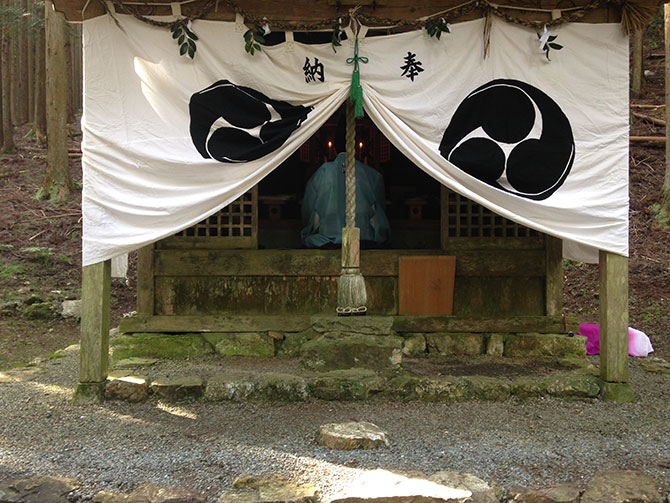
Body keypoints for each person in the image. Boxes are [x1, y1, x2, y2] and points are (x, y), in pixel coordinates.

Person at [301, 134, 391, 249]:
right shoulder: (371, 174)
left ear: (334, 149)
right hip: (364, 239)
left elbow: (308, 211)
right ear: (356, 148)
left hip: (327, 240)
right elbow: (380, 213)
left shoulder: (322, 173)